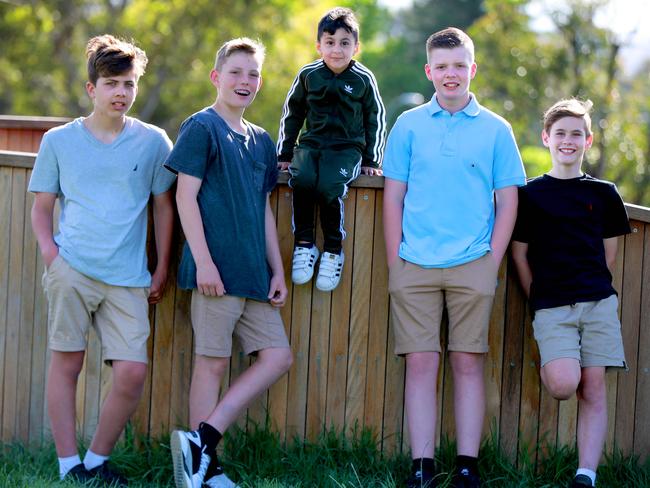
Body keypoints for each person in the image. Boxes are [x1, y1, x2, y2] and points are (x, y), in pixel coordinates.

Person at [29, 34, 176, 486]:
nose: (122, 93)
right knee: (67, 364)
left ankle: (96, 461)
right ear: (92, 88)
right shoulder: (59, 141)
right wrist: (53, 257)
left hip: (129, 277)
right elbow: (40, 207)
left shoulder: (154, 142)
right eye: (112, 83)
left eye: (129, 84)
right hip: (72, 268)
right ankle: (68, 465)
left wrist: (162, 265)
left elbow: (164, 208)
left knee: (132, 373)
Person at [383, 27, 526, 488]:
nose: (451, 74)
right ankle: (421, 468)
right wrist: (395, 263)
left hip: (473, 262)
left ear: (472, 69)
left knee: (468, 362)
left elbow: (508, 200)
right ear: (429, 71)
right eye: (442, 67)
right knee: (421, 364)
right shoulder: (408, 125)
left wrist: (491, 262)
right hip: (414, 263)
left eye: (459, 65)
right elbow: (393, 198)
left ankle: (467, 467)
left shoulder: (496, 129)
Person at [165, 38, 293, 488]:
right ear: (217, 77)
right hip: (213, 272)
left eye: (253, 74)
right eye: (236, 72)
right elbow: (185, 197)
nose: (245, 82)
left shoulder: (260, 141)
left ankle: (202, 440)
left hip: (254, 274)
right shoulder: (201, 128)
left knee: (278, 356)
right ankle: (205, 470)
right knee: (212, 364)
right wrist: (204, 263)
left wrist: (276, 269)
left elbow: (262, 209)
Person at [511, 99, 630, 488]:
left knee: (593, 387)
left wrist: (593, 291)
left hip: (597, 301)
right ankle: (562, 363)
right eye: (560, 133)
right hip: (551, 305)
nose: (568, 140)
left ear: (588, 140)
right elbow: (520, 254)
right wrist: (538, 297)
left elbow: (608, 253)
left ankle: (586, 475)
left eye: (576, 134)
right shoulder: (530, 195)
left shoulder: (605, 193)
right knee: (565, 384)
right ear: (546, 138)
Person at [277, 6, 386, 292]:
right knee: (301, 178)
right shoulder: (309, 75)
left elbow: (375, 119)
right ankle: (304, 244)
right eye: (330, 42)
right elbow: (293, 114)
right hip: (311, 144)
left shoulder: (363, 79)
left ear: (356, 47)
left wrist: (371, 159)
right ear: (319, 45)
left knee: (328, 184)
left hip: (347, 149)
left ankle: (333, 250)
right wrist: (286, 154)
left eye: (344, 43)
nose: (337, 50)